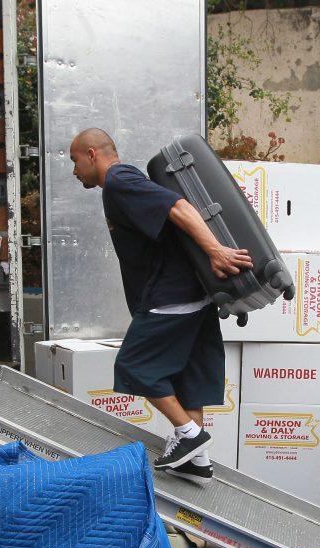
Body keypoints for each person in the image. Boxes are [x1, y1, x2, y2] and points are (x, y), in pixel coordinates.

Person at [69, 128, 252, 485]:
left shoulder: (119, 181)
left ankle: (189, 434)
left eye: (74, 161)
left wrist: (215, 250)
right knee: (189, 379)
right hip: (194, 295)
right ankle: (197, 460)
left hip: (170, 295)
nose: (74, 171)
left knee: (135, 366)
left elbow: (178, 207)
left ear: (92, 154)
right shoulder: (128, 178)